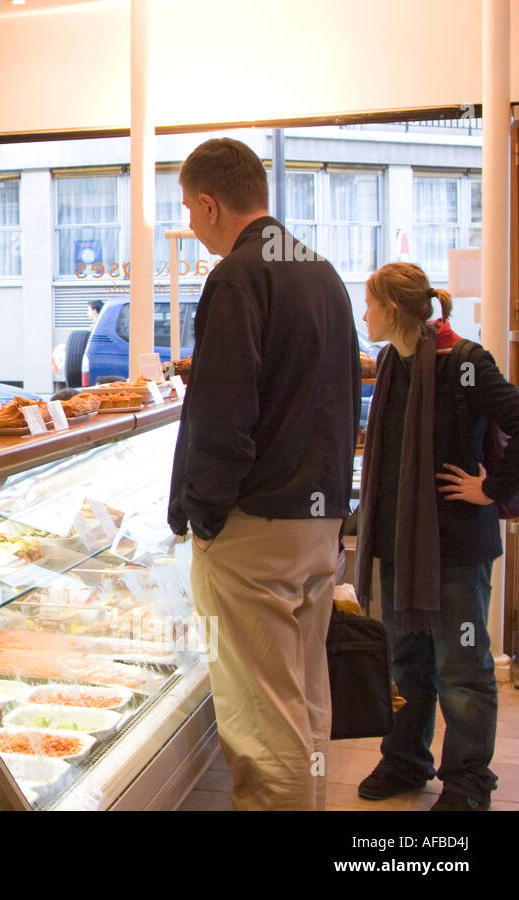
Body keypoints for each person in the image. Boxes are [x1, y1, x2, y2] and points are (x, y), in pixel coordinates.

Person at [168, 137, 361, 811]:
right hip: (319, 521)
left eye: (190, 210)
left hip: (257, 530)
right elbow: (340, 401)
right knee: (303, 703)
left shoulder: (238, 276)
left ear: (211, 203)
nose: (190, 225)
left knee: (260, 721)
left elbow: (225, 414)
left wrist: (206, 515)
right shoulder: (322, 271)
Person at [355, 263, 519, 811]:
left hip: (455, 545)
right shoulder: (391, 362)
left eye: (370, 303)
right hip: (402, 542)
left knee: (462, 669)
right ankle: (406, 759)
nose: (364, 313)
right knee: (406, 659)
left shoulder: (464, 362)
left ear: (393, 309)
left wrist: (491, 487)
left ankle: (469, 780)